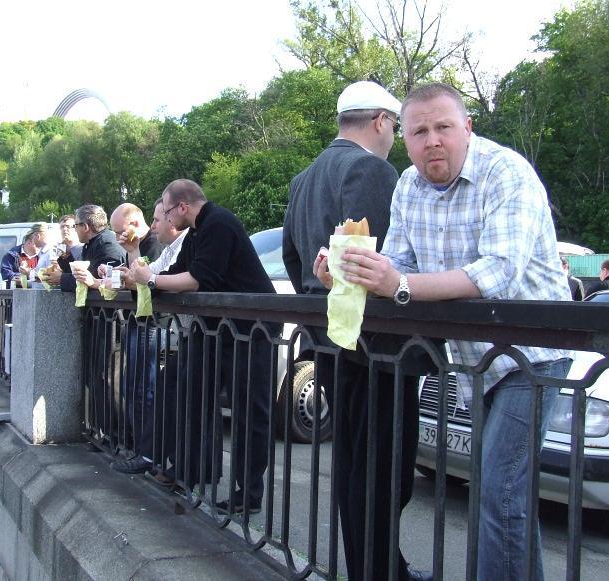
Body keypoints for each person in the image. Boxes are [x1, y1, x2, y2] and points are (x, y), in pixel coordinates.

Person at [318, 83, 572, 581]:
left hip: (534, 354)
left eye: (443, 127)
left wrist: (400, 284)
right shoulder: (408, 186)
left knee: (498, 490)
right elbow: (398, 264)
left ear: (467, 129)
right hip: (477, 362)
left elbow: (497, 272)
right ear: (404, 138)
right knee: (508, 495)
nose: (432, 140)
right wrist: (349, 272)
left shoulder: (507, 172)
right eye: (419, 131)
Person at [282, 80, 430, 581]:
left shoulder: (303, 178)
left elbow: (294, 258)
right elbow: (392, 257)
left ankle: (377, 564)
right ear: (383, 122)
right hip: (378, 346)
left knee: (351, 461)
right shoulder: (371, 168)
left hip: (327, 340)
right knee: (383, 467)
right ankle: (379, 568)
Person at [127, 179, 277, 515]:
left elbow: (197, 279)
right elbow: (174, 273)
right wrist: (140, 271)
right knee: (184, 386)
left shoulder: (219, 223)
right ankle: (186, 469)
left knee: (249, 413)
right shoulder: (197, 231)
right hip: (218, 329)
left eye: (166, 211)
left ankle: (249, 494)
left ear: (182, 207)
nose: (164, 218)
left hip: (249, 330)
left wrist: (148, 280)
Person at [105, 202, 168, 474]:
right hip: (139, 322)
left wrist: (128, 273)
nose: (117, 237)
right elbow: (135, 278)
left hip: (150, 324)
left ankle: (146, 453)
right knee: (134, 387)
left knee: (144, 389)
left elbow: (146, 281)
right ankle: (138, 448)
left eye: (120, 231)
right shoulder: (134, 247)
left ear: (133, 225)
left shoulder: (152, 244)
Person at [42, 205, 126, 291]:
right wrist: (66, 257)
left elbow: (97, 280)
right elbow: (81, 274)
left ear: (85, 227)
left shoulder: (106, 245)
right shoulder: (93, 242)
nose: (75, 230)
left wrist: (62, 279)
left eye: (75, 226)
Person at [0, 223, 49, 289]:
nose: (39, 248)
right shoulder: (11, 255)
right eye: (34, 241)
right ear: (29, 242)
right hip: (16, 295)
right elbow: (6, 275)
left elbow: (47, 280)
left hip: (37, 294)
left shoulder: (43, 255)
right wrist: (21, 276)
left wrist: (27, 275)